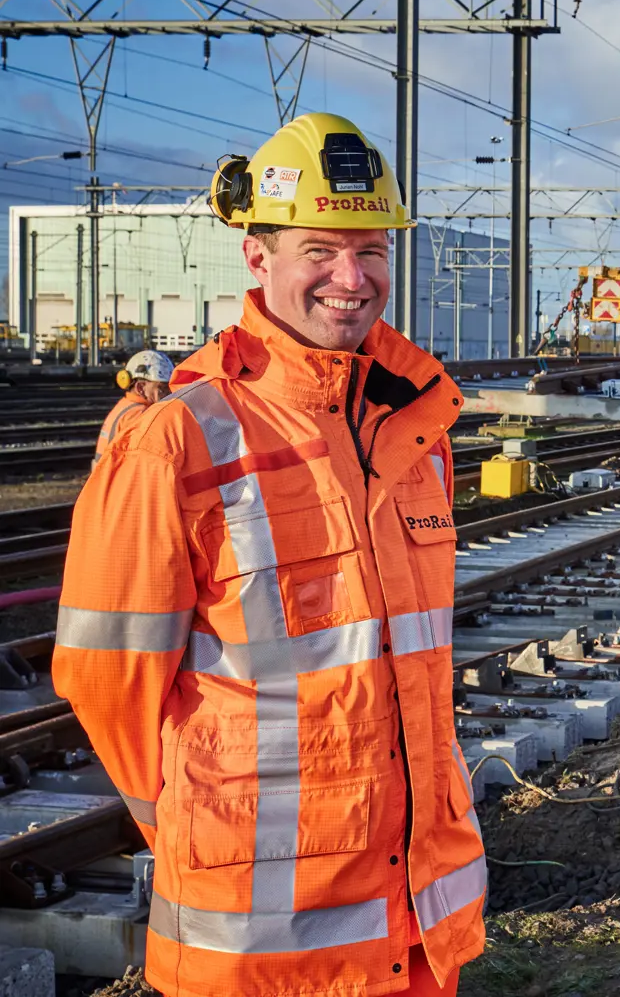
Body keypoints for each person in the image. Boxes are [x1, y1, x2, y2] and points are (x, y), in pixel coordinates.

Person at [53, 113, 486, 997]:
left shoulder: (417, 429)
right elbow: (106, 680)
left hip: (418, 926)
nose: (350, 278)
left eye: (371, 251)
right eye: (319, 250)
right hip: (260, 945)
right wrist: (194, 826)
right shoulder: (178, 440)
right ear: (257, 259)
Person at [96, 349, 174, 459]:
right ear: (140, 388)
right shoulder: (140, 415)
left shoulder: (125, 406)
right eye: (162, 388)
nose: (168, 394)